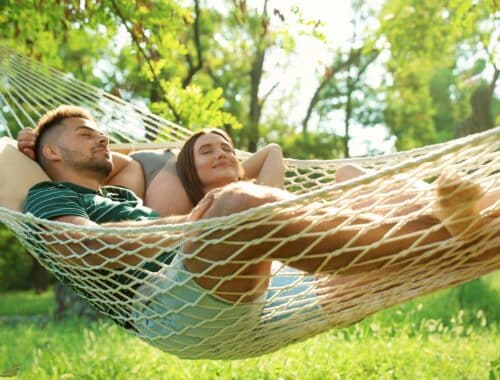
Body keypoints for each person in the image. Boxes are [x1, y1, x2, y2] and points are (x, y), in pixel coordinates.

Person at [19, 105, 498, 356]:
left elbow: (127, 158)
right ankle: (435, 228)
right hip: (167, 306)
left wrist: (198, 218)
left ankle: (460, 224)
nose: (102, 137)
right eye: (87, 134)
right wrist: (192, 223)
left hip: (227, 285)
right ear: (54, 155)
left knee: (359, 184)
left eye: (102, 132)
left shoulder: (121, 197)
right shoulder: (52, 197)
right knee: (238, 203)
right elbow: (84, 248)